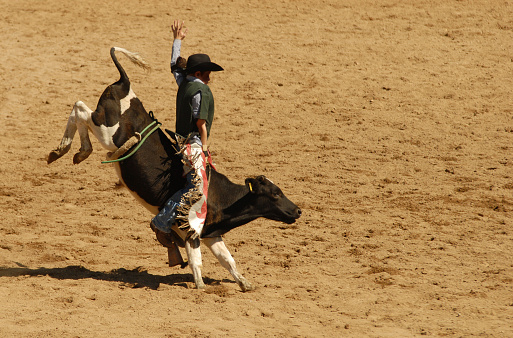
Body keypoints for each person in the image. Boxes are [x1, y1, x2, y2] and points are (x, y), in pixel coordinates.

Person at [151, 20, 223, 242]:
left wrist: (177, 41)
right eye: (207, 73)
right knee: (197, 187)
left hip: (178, 141)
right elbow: (201, 123)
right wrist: (204, 146)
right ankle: (162, 221)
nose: (209, 78)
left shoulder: (184, 82)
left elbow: (174, 65)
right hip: (192, 143)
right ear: (199, 73)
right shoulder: (200, 90)